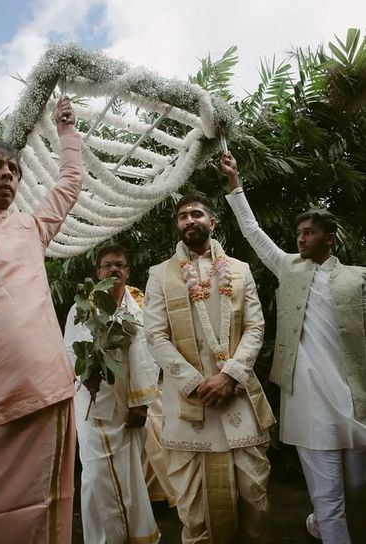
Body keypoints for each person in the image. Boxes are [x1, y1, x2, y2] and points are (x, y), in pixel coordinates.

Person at [0, 97, 84, 543]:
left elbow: (69, 182)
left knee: (40, 515)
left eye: (13, 168)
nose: (7, 173)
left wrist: (67, 132)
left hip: (43, 391)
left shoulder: (30, 227)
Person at [221, 152, 366, 544]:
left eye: (310, 232)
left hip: (354, 400)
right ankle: (328, 523)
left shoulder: (358, 279)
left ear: (329, 238)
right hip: (307, 400)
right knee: (332, 499)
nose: (301, 238)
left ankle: (318, 525)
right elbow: (253, 232)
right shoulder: (288, 267)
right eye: (299, 232)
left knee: (356, 490)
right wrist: (235, 183)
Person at [143, 193, 276, 544]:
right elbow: (155, 334)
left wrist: (230, 375)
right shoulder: (160, 275)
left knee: (253, 493)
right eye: (183, 215)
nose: (189, 220)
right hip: (191, 401)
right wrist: (196, 383)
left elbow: (255, 327)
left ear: (211, 221)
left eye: (197, 213)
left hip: (236, 393)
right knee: (195, 506)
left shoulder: (239, 270)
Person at [64, 243, 160, 544]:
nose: (114, 269)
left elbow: (153, 354)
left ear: (128, 271)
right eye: (108, 265)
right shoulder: (82, 308)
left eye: (120, 264)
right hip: (93, 405)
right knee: (95, 477)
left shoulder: (141, 308)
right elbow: (69, 351)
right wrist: (85, 374)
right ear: (98, 273)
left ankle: (135, 534)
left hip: (131, 403)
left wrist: (142, 404)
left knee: (129, 473)